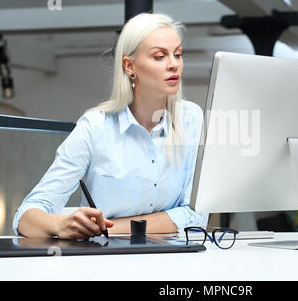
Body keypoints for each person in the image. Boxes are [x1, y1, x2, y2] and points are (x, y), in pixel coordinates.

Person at [13, 13, 208, 239]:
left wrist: (109, 226)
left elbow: (195, 216)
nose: (174, 64)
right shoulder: (95, 127)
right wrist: (60, 225)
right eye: (159, 56)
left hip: (175, 263)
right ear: (129, 66)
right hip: (105, 263)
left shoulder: (191, 118)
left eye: (178, 54)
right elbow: (25, 217)